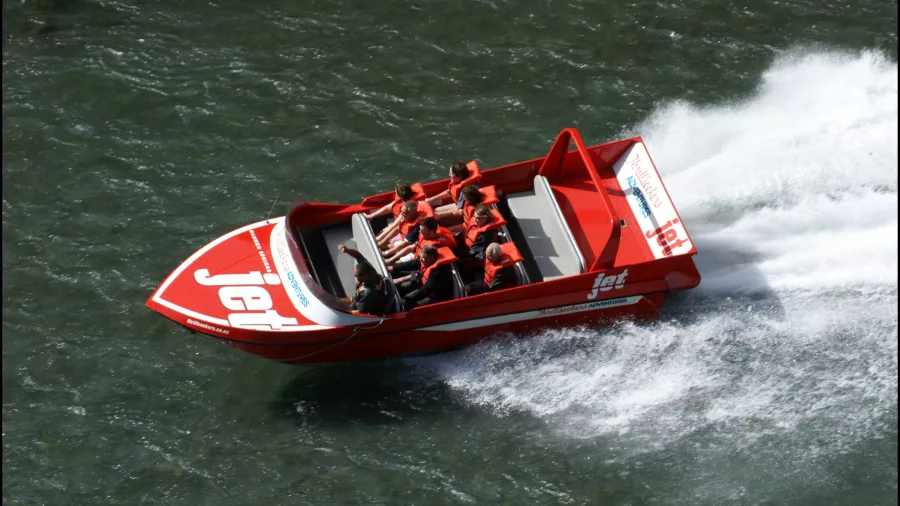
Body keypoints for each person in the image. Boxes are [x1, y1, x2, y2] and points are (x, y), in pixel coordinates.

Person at [335, 243, 390, 315]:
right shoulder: (368, 268)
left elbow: (361, 311)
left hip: (368, 308)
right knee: (336, 301)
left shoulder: (368, 293)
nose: (354, 276)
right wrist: (347, 250)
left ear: (366, 276)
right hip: (360, 298)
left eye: (357, 275)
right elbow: (357, 255)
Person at [384, 217, 456, 265]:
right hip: (417, 252)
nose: (420, 232)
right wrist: (390, 259)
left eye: (423, 231)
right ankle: (386, 254)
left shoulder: (436, 246)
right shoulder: (424, 235)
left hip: (422, 260)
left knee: (397, 264)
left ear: (432, 231)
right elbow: (410, 248)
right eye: (420, 230)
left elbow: (422, 261)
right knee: (396, 248)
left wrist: (394, 264)